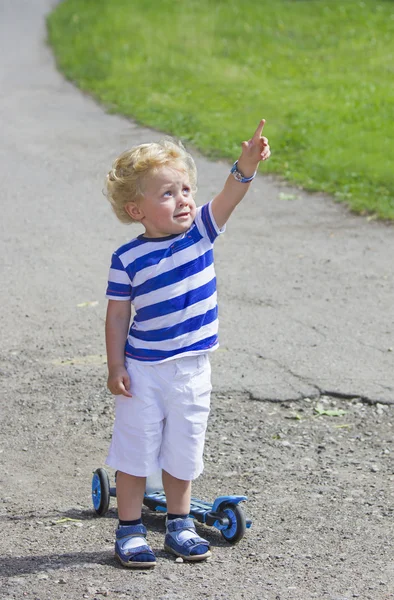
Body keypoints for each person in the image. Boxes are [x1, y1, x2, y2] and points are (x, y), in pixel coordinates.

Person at [104, 120, 271, 568]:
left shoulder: (201, 231)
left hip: (193, 369)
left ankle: (180, 524)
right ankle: (130, 529)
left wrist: (246, 165)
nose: (183, 199)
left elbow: (229, 198)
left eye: (184, 189)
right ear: (137, 210)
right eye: (167, 193)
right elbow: (118, 314)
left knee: (183, 449)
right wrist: (114, 366)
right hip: (143, 371)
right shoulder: (127, 258)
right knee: (135, 451)